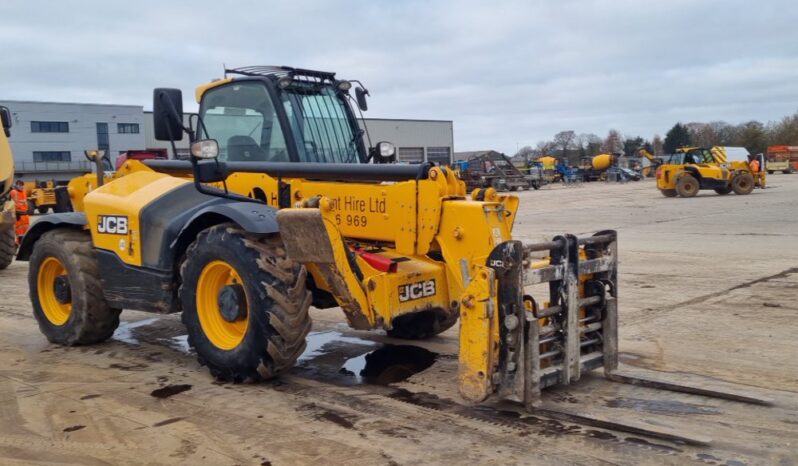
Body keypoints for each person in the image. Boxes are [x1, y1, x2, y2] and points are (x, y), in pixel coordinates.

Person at [9, 180, 29, 245]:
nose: (22, 187)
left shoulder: (24, 192)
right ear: (16, 185)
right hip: (18, 215)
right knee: (19, 231)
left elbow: (24, 202)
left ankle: (24, 242)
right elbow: (11, 202)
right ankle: (18, 243)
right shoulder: (13, 192)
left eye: (22, 185)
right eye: (20, 185)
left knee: (26, 230)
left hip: (25, 214)